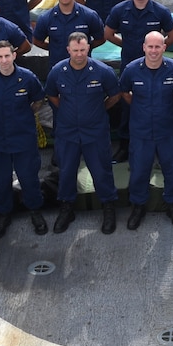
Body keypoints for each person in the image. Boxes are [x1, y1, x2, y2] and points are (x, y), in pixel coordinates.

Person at [45, 33, 120, 235]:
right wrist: (67, 112)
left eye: (83, 50)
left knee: (101, 170)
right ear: (68, 50)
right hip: (68, 132)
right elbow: (51, 94)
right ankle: (67, 207)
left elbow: (115, 95)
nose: (79, 54)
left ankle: (108, 206)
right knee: (67, 171)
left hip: (95, 131)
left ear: (88, 49)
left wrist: (99, 109)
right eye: (75, 50)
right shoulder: (57, 72)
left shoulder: (103, 71)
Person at [0, 40, 50, 237]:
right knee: (0, 180)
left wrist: (25, 115)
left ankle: (35, 211)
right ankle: (4, 213)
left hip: (23, 137)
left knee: (29, 177)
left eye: (7, 55)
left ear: (14, 55)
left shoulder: (27, 78)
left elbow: (38, 100)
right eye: (0, 57)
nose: (4, 60)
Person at [118, 32, 173, 229]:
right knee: (139, 171)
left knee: (172, 169)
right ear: (144, 47)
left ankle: (172, 204)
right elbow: (124, 91)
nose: (154, 51)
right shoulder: (132, 70)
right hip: (141, 132)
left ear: (164, 48)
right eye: (151, 47)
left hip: (167, 131)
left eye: (158, 47)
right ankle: (138, 206)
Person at [105, 0, 173, 66]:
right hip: (128, 63)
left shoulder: (161, 11)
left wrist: (155, 48)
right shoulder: (119, 10)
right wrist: (126, 45)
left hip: (153, 64)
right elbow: (108, 34)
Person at [32, 0, 105, 67]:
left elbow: (100, 39)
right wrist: (55, 49)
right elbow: (37, 41)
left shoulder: (89, 15)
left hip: (84, 67)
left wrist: (84, 49)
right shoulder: (46, 18)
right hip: (57, 68)